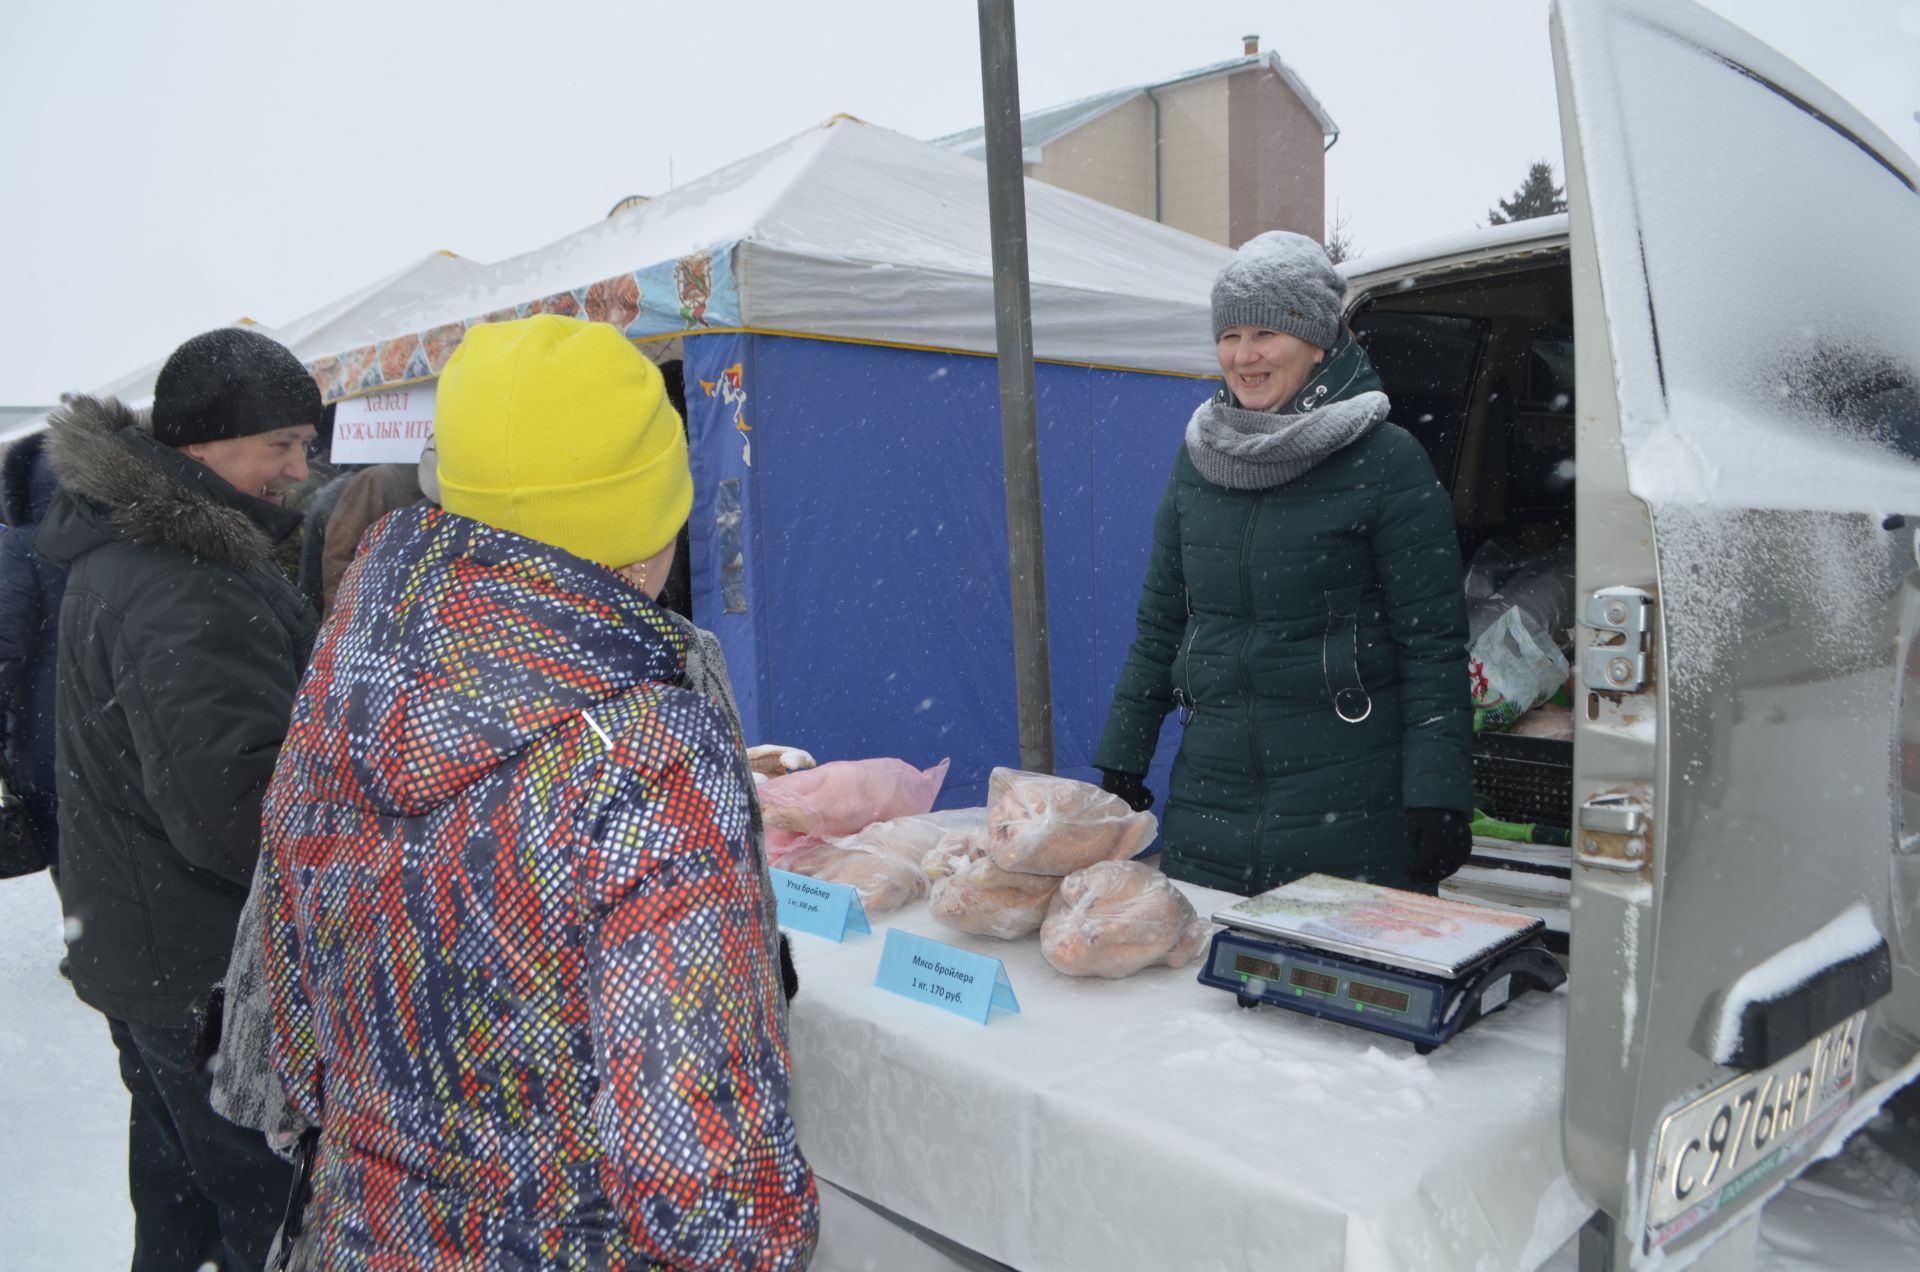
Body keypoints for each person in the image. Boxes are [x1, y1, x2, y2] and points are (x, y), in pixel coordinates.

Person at [256, 314, 818, 1267]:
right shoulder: (643, 742)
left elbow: (297, 1027)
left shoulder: (347, 668)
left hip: (367, 1238)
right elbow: (709, 1188)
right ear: (648, 523)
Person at [35, 327, 319, 1270]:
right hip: (205, 975)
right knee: (265, 1221)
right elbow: (234, 809)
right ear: (201, 445)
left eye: (305, 445)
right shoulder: (191, 584)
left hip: (147, 955)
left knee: (180, 1209)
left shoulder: (129, 550)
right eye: (279, 444)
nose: (298, 468)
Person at [1094, 231, 1474, 897]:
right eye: (1229, 335)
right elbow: (1161, 623)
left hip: (1348, 803)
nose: (1244, 356)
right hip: (1210, 798)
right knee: (1195, 995)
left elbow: (1432, 646)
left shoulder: (1387, 460)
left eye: (1266, 333)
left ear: (1319, 342)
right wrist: (1123, 759)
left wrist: (1437, 794)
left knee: (1332, 990)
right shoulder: (1200, 458)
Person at [0, 430, 66, 868]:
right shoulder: (117, 544)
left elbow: (5, 654)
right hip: (116, 746)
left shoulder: (19, 547)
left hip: (45, 748)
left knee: (73, 872)